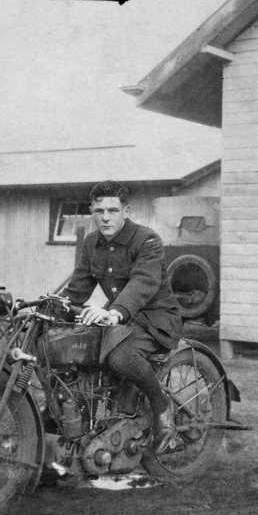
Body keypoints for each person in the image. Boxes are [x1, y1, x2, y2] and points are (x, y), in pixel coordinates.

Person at [63, 180, 182, 454]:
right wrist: (47, 307)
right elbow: (78, 288)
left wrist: (114, 312)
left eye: (113, 210)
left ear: (125, 211)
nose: (105, 217)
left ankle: (162, 409)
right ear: (91, 211)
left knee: (120, 357)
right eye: (99, 210)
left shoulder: (147, 239)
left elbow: (143, 282)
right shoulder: (91, 243)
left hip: (156, 319)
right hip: (122, 320)